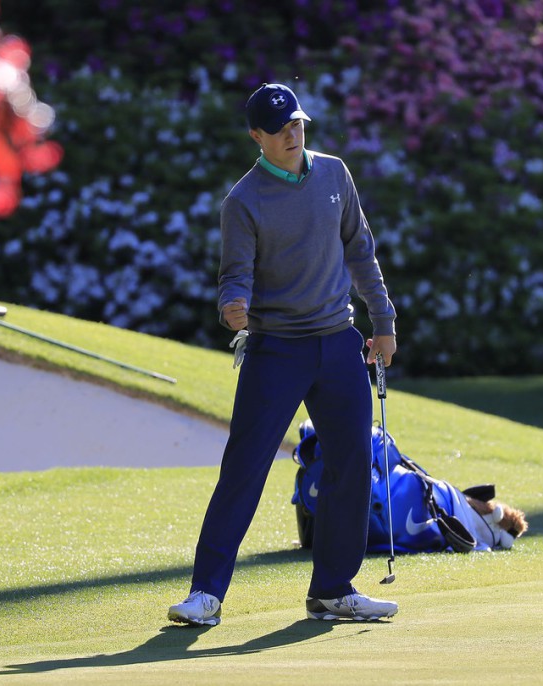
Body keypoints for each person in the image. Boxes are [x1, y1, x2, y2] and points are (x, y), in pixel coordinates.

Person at [167, 83, 399, 626]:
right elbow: (234, 277)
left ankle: (333, 591)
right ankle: (206, 594)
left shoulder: (335, 174)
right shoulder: (243, 201)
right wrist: (234, 307)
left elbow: (360, 250)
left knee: (352, 466)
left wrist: (382, 321)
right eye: (279, 129)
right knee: (244, 469)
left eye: (297, 124)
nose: (292, 134)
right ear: (257, 136)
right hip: (276, 350)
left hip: (339, 341)